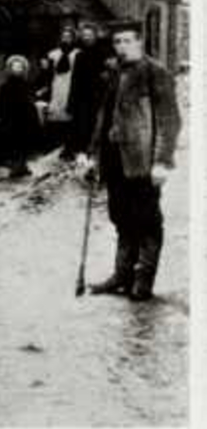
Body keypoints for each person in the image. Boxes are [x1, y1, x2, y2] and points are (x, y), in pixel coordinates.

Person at [77, 19, 181, 302]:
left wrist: (162, 161)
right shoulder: (113, 73)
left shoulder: (155, 73)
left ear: (139, 42)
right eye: (117, 42)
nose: (121, 46)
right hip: (114, 159)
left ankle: (143, 280)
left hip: (142, 160)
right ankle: (122, 274)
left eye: (127, 41)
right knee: (121, 217)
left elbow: (169, 121)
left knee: (147, 220)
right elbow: (103, 118)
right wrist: (91, 154)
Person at [66, 20, 110, 156]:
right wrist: (71, 101)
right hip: (82, 97)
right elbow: (75, 79)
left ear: (95, 36)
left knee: (97, 126)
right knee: (81, 126)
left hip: (98, 96)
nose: (86, 38)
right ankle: (82, 153)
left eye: (89, 35)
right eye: (84, 35)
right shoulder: (79, 55)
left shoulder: (104, 53)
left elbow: (108, 76)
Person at [0, 55, 39, 178]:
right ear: (10, 69)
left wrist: (33, 117)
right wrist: (3, 119)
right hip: (11, 118)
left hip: (24, 118)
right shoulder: (4, 87)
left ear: (23, 69)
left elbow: (31, 102)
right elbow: (2, 104)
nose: (17, 69)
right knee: (13, 143)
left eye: (20, 67)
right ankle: (15, 167)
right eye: (15, 67)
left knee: (24, 143)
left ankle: (23, 165)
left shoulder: (27, 86)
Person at [44, 24, 80, 158]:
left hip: (71, 86)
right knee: (55, 116)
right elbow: (48, 74)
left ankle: (69, 148)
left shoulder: (77, 54)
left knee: (69, 117)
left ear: (73, 38)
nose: (66, 39)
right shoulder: (53, 54)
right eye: (64, 36)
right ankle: (55, 147)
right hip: (57, 86)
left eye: (69, 36)